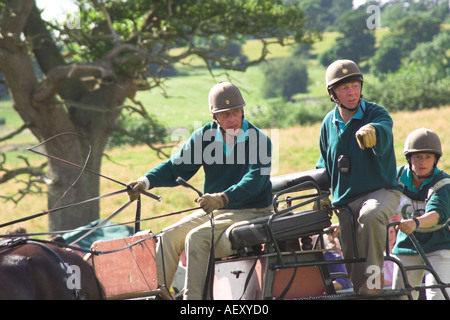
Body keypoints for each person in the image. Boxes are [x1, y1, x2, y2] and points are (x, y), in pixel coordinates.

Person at [126, 82, 273, 300]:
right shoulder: (205, 136)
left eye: (235, 113)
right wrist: (145, 181)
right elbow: (176, 167)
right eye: (225, 115)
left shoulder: (259, 140)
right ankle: (160, 295)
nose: (232, 119)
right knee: (167, 237)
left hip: (252, 210)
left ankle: (193, 302)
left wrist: (223, 197)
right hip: (218, 211)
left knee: (196, 237)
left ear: (243, 111)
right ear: (215, 117)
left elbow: (255, 181)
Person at [316, 59, 403, 295]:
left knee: (371, 214)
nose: (352, 92)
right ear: (333, 93)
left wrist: (373, 132)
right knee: (355, 277)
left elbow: (384, 129)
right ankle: (363, 289)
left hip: (381, 191)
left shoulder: (376, 113)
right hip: (345, 204)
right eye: (344, 88)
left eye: (355, 85)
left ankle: (375, 283)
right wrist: (322, 195)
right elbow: (324, 164)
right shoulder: (328, 123)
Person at [392, 128, 450, 300]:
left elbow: (436, 214)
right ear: (409, 158)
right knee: (400, 296)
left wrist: (415, 223)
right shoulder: (396, 177)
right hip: (407, 244)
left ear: (435, 160)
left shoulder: (443, 183)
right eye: (418, 157)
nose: (422, 162)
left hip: (440, 245)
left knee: (437, 296)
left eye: (428, 157)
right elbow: (380, 201)